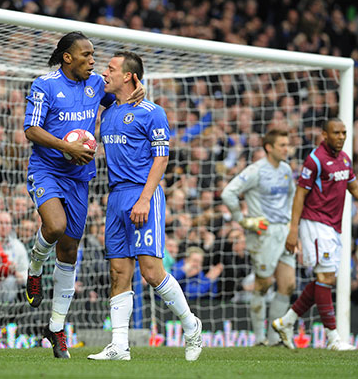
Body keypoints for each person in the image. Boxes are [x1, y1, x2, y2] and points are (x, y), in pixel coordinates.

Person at [23, 31, 143, 358]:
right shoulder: (44, 85)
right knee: (54, 226)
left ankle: (56, 328)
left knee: (69, 252)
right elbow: (31, 129)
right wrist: (66, 146)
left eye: (94, 55)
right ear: (67, 57)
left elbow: (119, 96)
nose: (93, 61)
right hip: (47, 169)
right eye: (87, 55)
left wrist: (136, 92)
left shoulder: (94, 86)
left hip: (80, 177)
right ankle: (34, 270)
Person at [87, 51, 202, 362]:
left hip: (143, 194)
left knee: (151, 271)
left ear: (128, 76)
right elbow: (89, 82)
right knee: (118, 271)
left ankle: (192, 327)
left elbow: (161, 157)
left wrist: (144, 198)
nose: (104, 72)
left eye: (111, 68)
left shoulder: (153, 112)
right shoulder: (110, 107)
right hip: (116, 196)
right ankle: (119, 347)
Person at [273, 118, 358, 351]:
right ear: (324, 135)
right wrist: (293, 230)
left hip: (332, 226)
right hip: (315, 223)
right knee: (326, 278)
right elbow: (300, 195)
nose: (341, 136)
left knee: (324, 279)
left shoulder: (345, 159)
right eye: (336, 133)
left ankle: (285, 322)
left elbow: (355, 188)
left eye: (344, 133)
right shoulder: (315, 160)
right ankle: (333, 339)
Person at [221, 128, 296, 346]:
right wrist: (242, 219)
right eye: (282, 145)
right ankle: (259, 338)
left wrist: (293, 227)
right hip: (264, 233)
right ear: (268, 148)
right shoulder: (255, 171)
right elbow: (228, 192)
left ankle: (274, 339)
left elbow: (291, 197)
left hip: (284, 230)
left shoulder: (286, 169)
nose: (286, 148)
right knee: (263, 285)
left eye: (287, 144)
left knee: (288, 284)